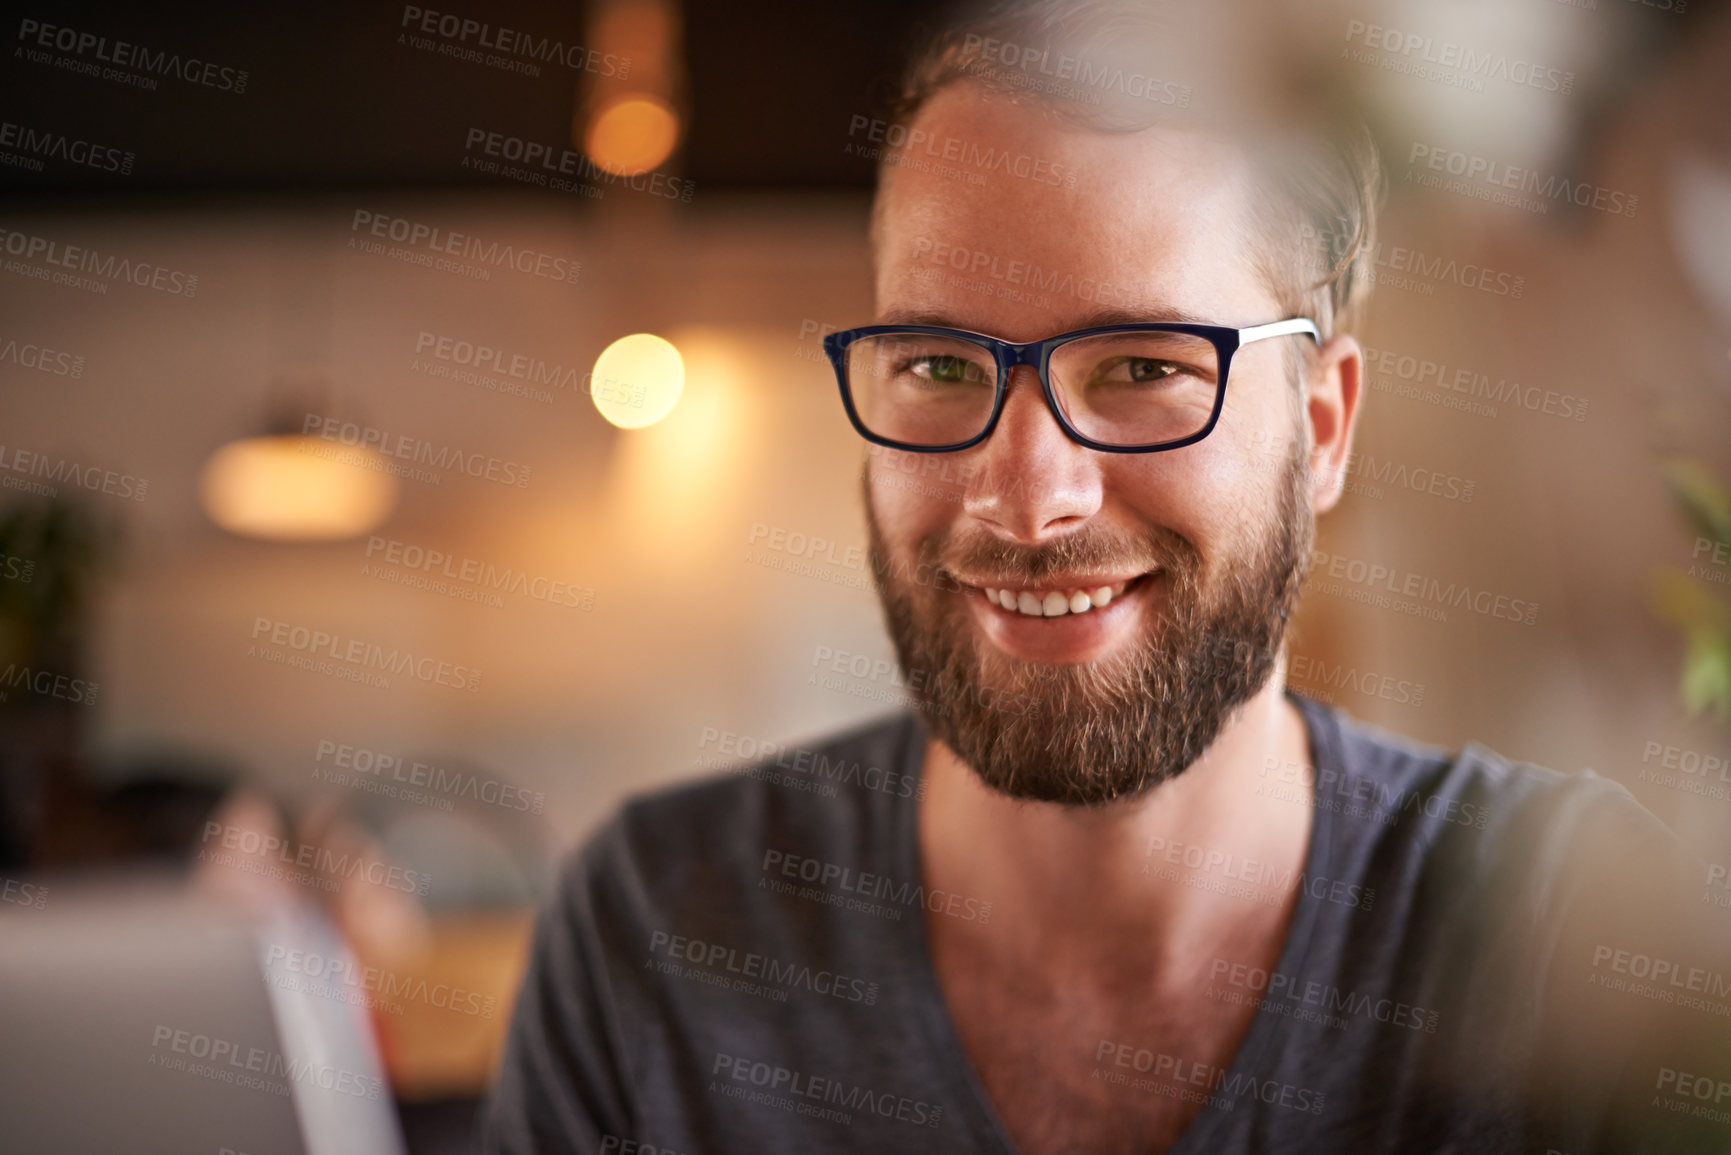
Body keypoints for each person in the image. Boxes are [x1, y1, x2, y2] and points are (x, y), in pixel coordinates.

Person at [483, 2, 1731, 1151]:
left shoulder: (1563, 943)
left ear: (1327, 425)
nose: (1029, 498)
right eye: (939, 366)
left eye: (1143, 367)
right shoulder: (654, 938)